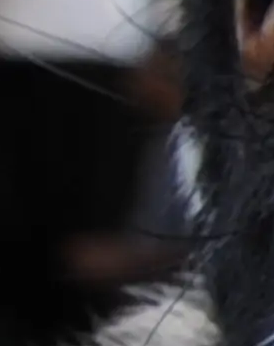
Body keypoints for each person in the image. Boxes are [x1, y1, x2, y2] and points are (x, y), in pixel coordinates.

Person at [62, 37, 191, 297]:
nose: (134, 81)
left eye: (148, 71)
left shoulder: (190, 148)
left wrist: (126, 260)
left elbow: (197, 253)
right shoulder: (159, 141)